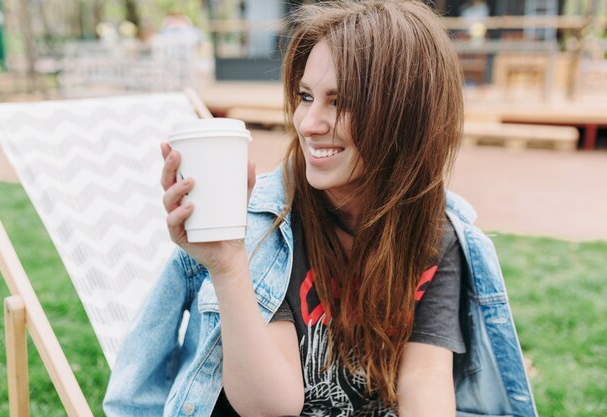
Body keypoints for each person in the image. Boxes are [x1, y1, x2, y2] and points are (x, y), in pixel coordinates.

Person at [104, 1, 537, 416]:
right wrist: (229, 265)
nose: (308, 124)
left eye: (340, 101)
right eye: (306, 96)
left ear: (408, 114)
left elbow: (424, 375)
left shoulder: (435, 232)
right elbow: (272, 407)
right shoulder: (263, 224)